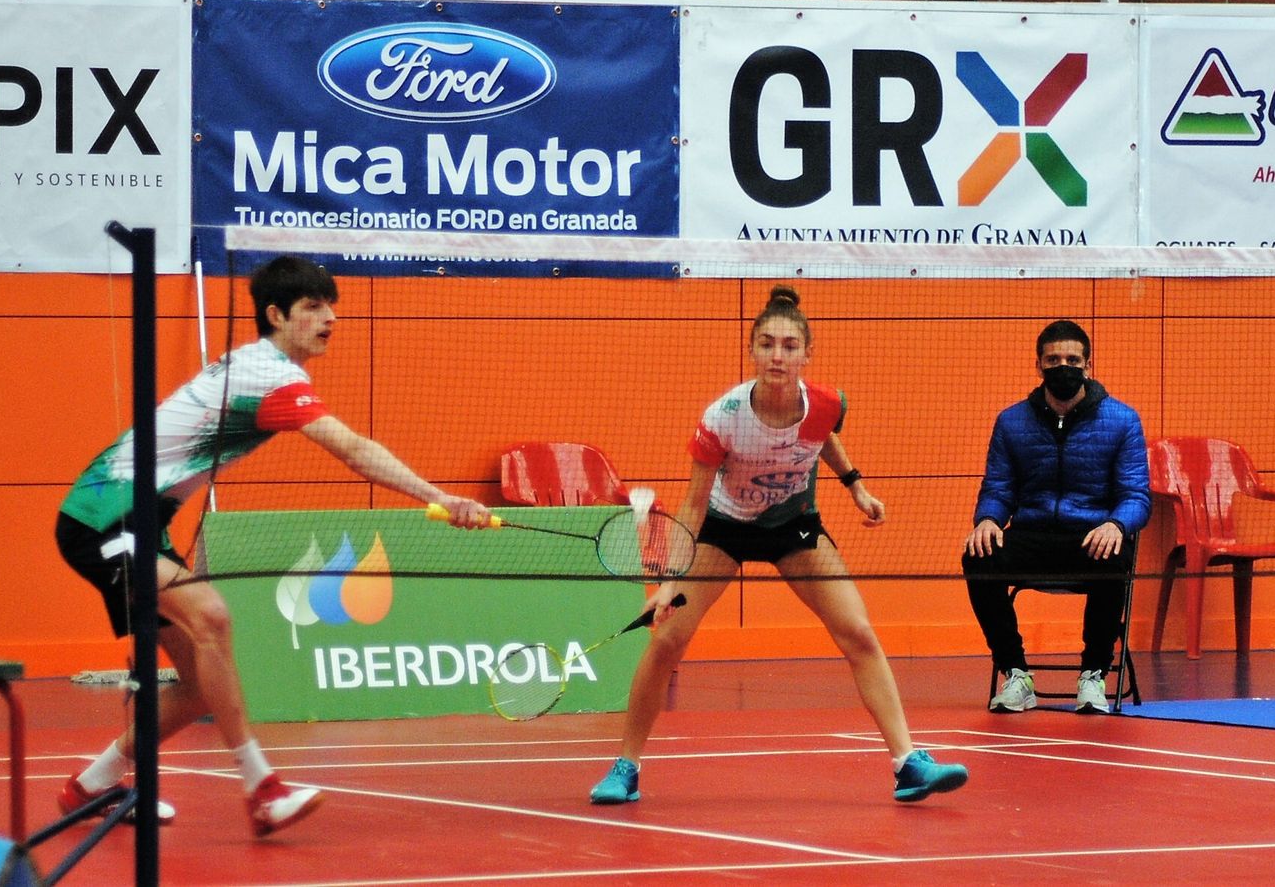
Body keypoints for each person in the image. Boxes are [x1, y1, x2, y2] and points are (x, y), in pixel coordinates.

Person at [54, 256, 492, 837]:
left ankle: (91, 785)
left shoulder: (265, 367)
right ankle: (262, 789)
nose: (330, 318)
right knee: (212, 616)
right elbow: (355, 452)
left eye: (331, 306)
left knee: (195, 688)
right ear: (276, 315)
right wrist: (442, 498)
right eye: (313, 306)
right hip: (102, 519)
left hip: (142, 526)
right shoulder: (269, 376)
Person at [589, 286, 968, 805]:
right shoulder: (723, 418)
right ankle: (626, 766)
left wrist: (855, 485)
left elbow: (824, 434)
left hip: (792, 525)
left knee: (858, 632)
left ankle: (908, 763)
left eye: (790, 346)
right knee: (668, 640)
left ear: (807, 355)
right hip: (724, 526)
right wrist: (671, 583)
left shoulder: (826, 403)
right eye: (767, 344)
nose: (777, 356)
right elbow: (694, 506)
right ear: (751, 349)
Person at [963, 319, 1150, 715]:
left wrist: (1116, 524)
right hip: (1033, 534)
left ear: (1088, 365)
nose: (1063, 367)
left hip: (1091, 535)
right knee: (979, 557)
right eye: (1053, 360)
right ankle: (1016, 674)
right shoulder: (1011, 421)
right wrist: (988, 519)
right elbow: (998, 487)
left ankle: (1094, 675)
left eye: (1072, 360)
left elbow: (1136, 495)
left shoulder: (1122, 420)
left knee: (1114, 555)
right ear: (1039, 366)